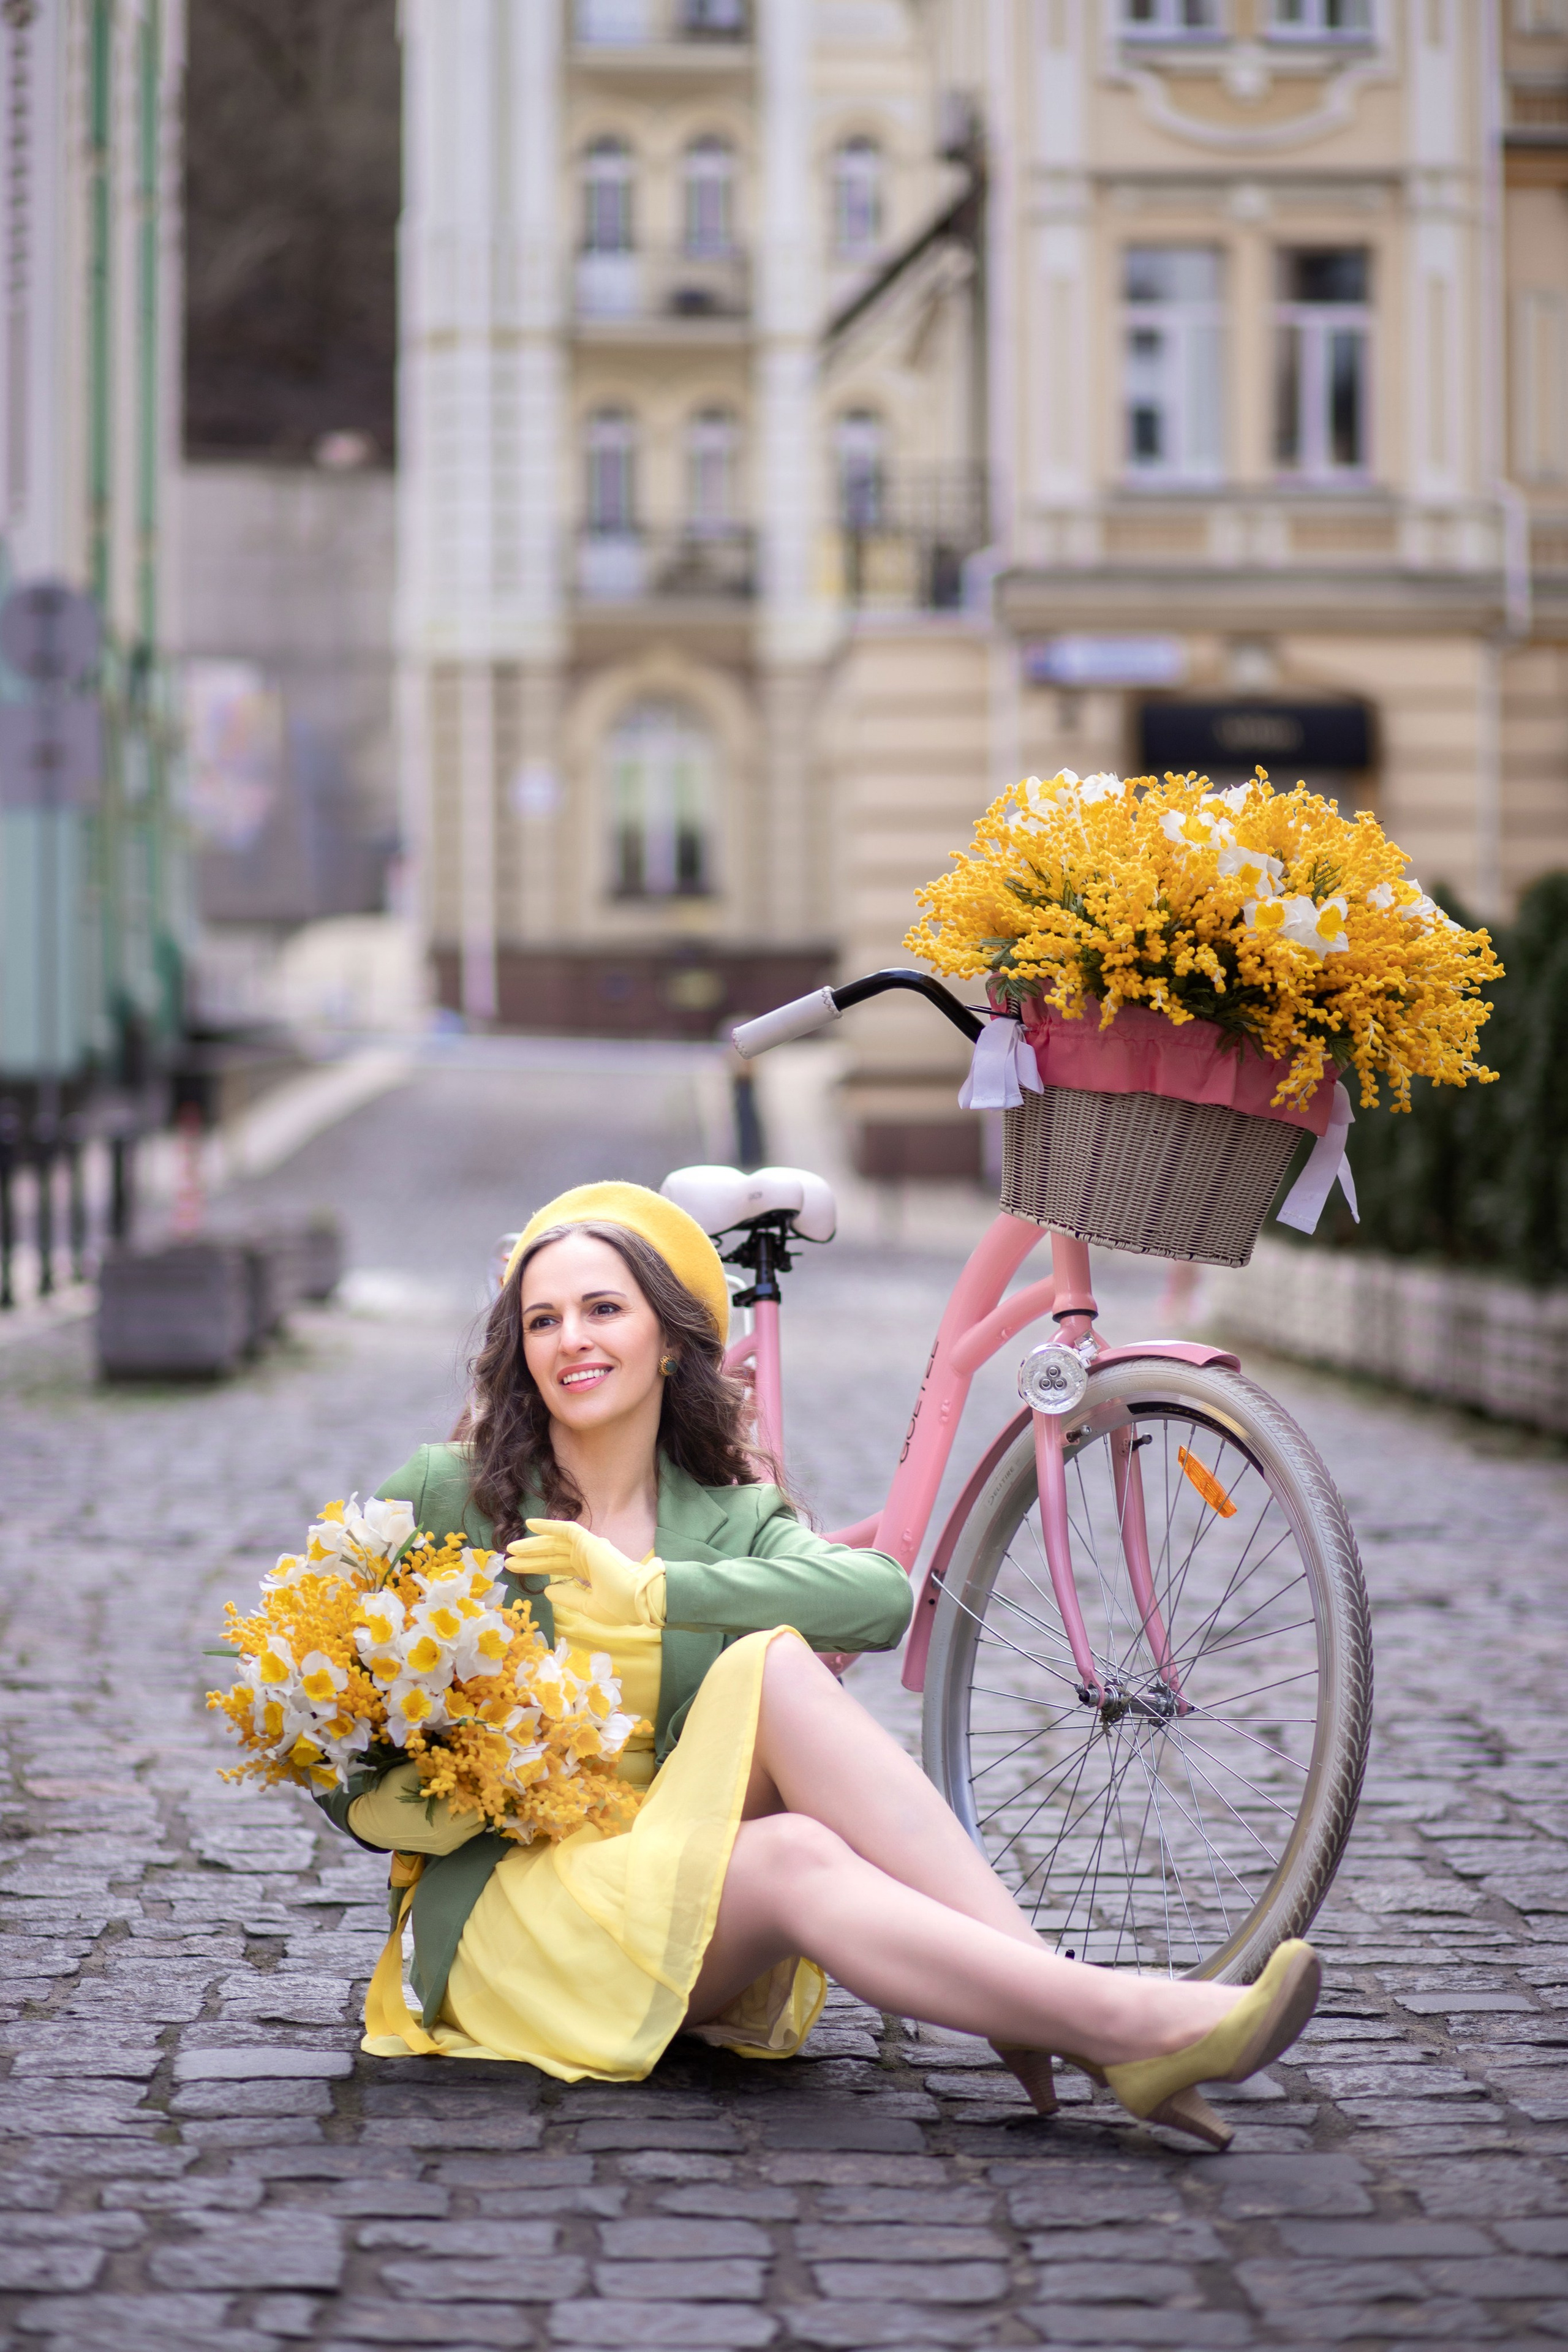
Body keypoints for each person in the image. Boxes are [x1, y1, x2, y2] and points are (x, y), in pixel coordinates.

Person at [318, 1180, 1319, 2150]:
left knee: (781, 1668)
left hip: (662, 1877)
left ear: (668, 1340)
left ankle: (1050, 2007)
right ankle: (1115, 2022)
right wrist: (475, 1790)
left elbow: (880, 1598)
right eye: (542, 1321)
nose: (571, 1339)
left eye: (602, 1309)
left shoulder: (730, 1517)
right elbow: (290, 1686)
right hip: (513, 1919)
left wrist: (655, 1588)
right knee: (796, 1853)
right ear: (518, 1352)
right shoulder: (450, 1495)